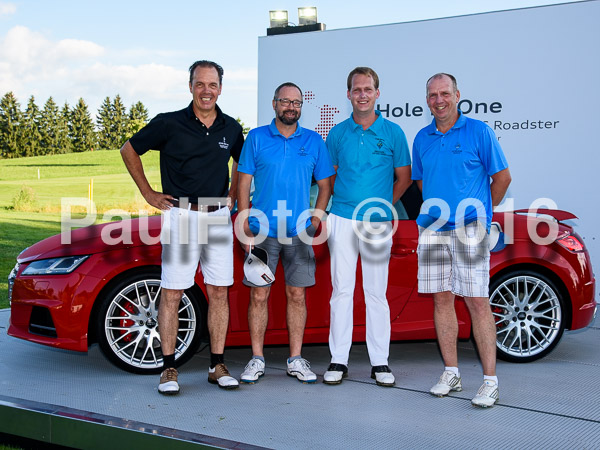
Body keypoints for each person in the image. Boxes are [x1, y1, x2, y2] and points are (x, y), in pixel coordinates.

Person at [120, 60, 244, 395]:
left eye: (212, 84)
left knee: (219, 291)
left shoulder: (231, 128)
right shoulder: (168, 123)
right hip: (181, 215)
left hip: (217, 217)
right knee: (173, 292)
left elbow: (242, 162)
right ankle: (168, 368)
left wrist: (233, 193)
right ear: (190, 86)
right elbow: (128, 150)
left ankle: (217, 366)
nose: (206, 91)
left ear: (221, 88)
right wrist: (148, 193)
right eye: (200, 84)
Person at [412, 73, 512, 408]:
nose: (438, 100)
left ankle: (490, 381)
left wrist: (480, 214)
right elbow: (422, 182)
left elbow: (502, 178)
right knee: (442, 300)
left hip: (470, 229)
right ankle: (451, 373)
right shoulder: (422, 138)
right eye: (432, 95)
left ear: (457, 95)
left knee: (477, 301)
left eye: (444, 93)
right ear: (427, 100)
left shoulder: (479, 131)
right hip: (434, 228)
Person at [236, 82, 334, 384]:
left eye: (296, 102)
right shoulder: (256, 138)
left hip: (299, 233)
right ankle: (256, 359)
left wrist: (315, 219)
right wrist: (244, 220)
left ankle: (295, 359)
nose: (291, 107)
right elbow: (243, 182)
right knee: (259, 295)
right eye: (285, 101)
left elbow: (326, 185)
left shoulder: (314, 141)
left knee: (297, 295)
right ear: (274, 104)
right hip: (262, 231)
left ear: (301, 107)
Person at [323, 67, 412, 387]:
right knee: (341, 291)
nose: (362, 94)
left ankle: (380, 362)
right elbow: (329, 177)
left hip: (377, 223)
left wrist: (382, 206)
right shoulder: (337, 134)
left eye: (368, 89)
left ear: (377, 93)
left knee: (376, 293)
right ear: (348, 94)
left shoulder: (393, 132)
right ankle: (338, 360)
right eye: (357, 89)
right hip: (342, 218)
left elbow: (404, 178)